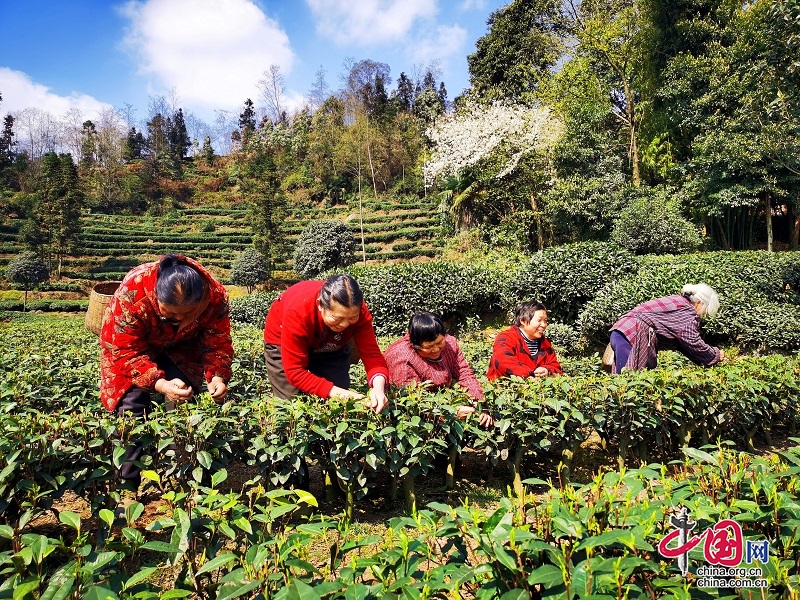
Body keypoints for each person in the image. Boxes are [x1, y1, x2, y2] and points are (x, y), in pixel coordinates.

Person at [100, 253, 234, 496]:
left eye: (189, 315)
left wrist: (217, 377)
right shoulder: (132, 292)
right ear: (156, 298)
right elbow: (123, 349)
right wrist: (159, 383)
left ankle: (183, 478)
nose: (180, 319)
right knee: (131, 408)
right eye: (171, 315)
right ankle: (127, 488)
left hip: (182, 348)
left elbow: (218, 343)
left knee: (182, 400)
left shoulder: (215, 297)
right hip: (135, 351)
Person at [263, 274, 389, 413]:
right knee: (289, 404)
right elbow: (295, 371)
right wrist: (347, 396)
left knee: (337, 394)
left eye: (352, 318)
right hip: (282, 337)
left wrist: (378, 388)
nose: (345, 324)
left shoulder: (357, 309)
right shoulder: (298, 311)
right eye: (337, 318)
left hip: (330, 342)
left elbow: (372, 355)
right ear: (320, 305)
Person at [384, 312, 493, 427]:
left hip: (444, 400)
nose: (436, 349)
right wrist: (450, 413)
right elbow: (412, 402)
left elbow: (464, 373)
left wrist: (479, 403)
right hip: (416, 419)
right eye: (429, 347)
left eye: (440, 342)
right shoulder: (401, 357)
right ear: (415, 345)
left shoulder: (450, 344)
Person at [609, 283, 725, 373]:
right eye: (704, 311)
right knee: (629, 385)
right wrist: (715, 354)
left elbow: (682, 343)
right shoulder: (688, 312)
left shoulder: (679, 302)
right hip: (632, 335)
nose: (702, 316)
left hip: (621, 332)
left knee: (622, 384)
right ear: (698, 303)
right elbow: (692, 341)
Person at [487, 300, 563, 381]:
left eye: (545, 321)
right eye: (539, 320)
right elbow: (503, 361)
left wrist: (547, 370)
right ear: (522, 320)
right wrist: (530, 376)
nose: (543, 325)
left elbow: (556, 366)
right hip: (505, 390)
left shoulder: (545, 343)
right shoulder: (506, 338)